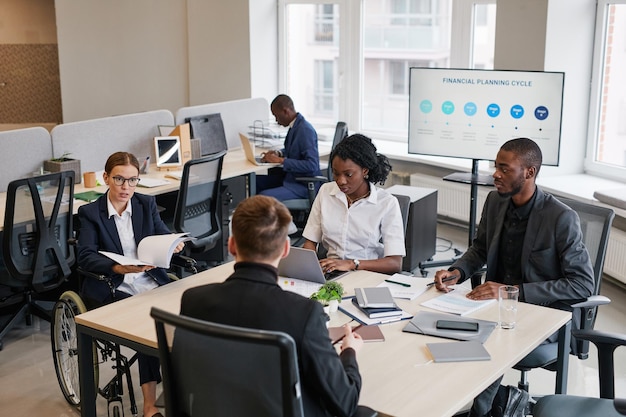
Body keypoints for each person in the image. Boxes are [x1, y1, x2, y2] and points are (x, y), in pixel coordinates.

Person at [433, 138, 595, 417]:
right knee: (441, 329)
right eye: (496, 167)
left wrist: (510, 291)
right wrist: (457, 272)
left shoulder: (561, 217)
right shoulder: (495, 201)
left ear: (529, 172)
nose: (495, 174)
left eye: (505, 169)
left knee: (491, 342)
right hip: (494, 309)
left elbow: (582, 284)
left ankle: (482, 412)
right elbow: (480, 248)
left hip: (542, 314)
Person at [180, 195, 364, 417]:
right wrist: (349, 353)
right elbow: (345, 403)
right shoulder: (303, 313)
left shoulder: (193, 300)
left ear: (231, 246)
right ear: (286, 249)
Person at [77, 151, 184, 417]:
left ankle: (180, 392)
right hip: (114, 284)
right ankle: (150, 405)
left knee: (186, 318)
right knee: (150, 325)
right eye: (120, 180)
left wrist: (173, 244)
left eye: (133, 180)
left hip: (149, 280)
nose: (127, 188)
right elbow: (86, 255)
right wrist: (116, 267)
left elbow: (161, 234)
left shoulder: (146, 204)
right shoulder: (90, 212)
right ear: (106, 178)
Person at [302, 134, 405, 274]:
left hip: (366, 273)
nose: (341, 181)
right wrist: (310, 268)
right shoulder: (326, 192)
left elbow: (394, 263)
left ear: (365, 171)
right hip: (331, 272)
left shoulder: (386, 203)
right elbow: (310, 242)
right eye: (335, 173)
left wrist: (351, 264)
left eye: (348, 174)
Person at [256, 94, 322, 201]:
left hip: (302, 185)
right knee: (257, 181)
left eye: (276, 116)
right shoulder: (294, 126)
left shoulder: (305, 130)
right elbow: (293, 150)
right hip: (291, 178)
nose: (276, 120)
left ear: (286, 111)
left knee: (262, 197)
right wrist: (278, 153)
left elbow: (312, 165)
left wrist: (281, 161)